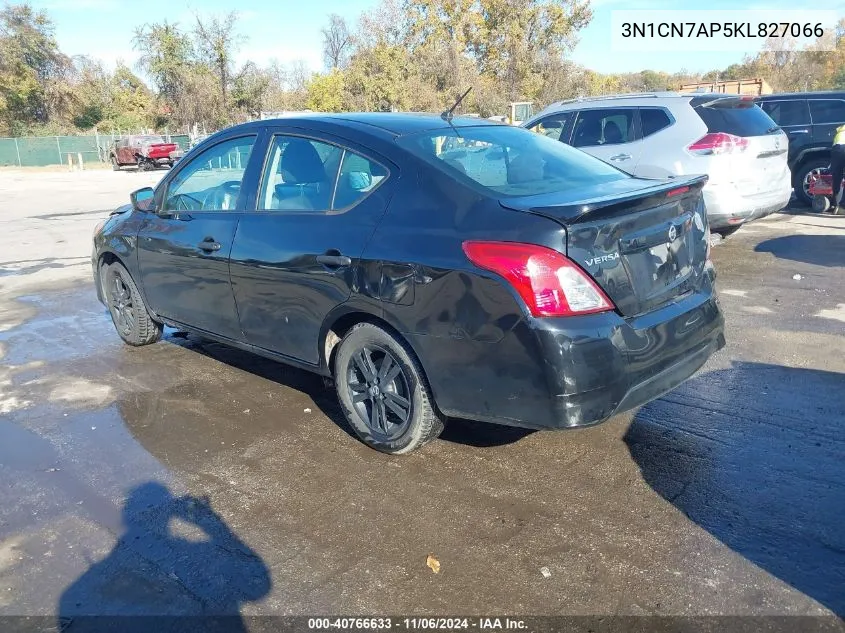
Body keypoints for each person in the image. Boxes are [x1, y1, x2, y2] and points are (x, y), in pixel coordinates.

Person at [831, 123, 845, 214]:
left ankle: (836, 205)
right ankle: (843, 206)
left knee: (837, 177)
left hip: (837, 149)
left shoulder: (839, 130)